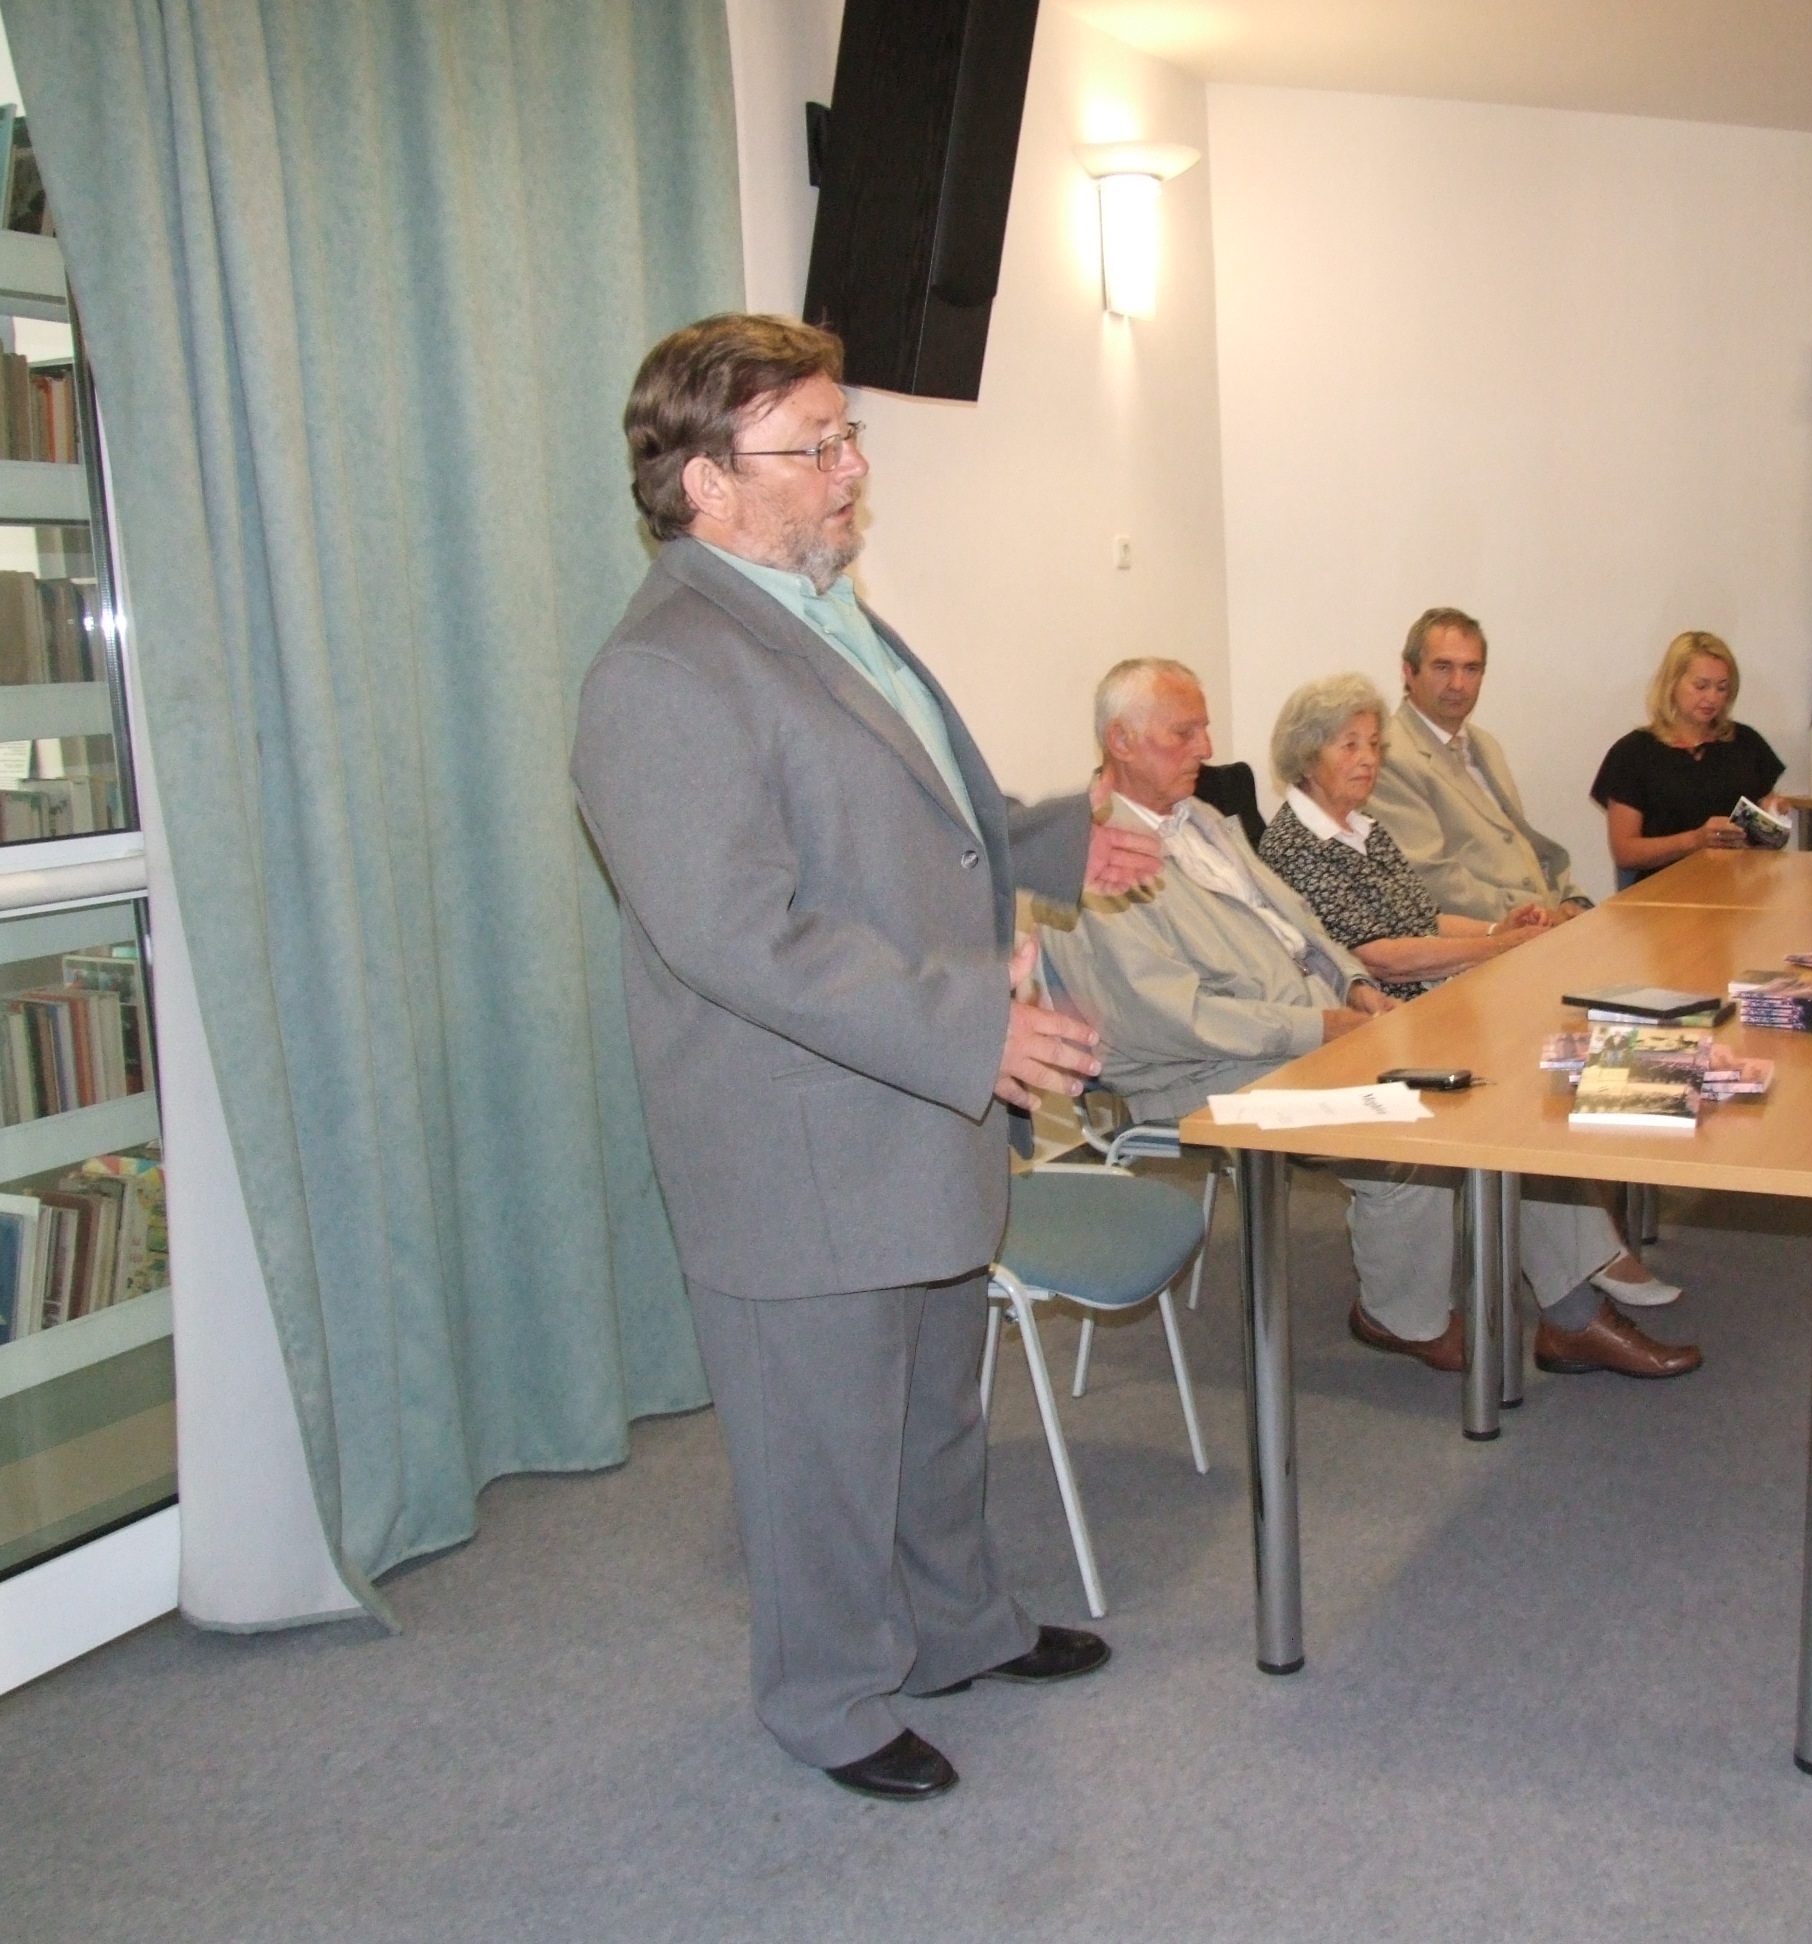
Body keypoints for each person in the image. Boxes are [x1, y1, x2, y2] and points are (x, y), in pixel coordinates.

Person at [569, 314, 1164, 1806]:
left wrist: (1053, 840)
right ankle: (828, 1698)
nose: (852, 469)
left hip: (911, 1107)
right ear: (707, 484)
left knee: (932, 1414)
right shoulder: (663, 672)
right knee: (821, 1444)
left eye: (849, 437)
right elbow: (736, 935)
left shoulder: (822, 607)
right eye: (816, 446)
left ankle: (957, 1627)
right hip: (803, 1138)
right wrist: (974, 1022)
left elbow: (926, 812)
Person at [1041, 659, 1700, 1380]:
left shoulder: (1197, 818)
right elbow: (1169, 1019)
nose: (1207, 747)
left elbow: (1297, 922)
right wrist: (1319, 1027)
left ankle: (1572, 1311)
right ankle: (1403, 1317)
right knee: (1409, 1133)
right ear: (1121, 741)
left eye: (1204, 727)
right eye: (1184, 732)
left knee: (1499, 1088)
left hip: (1299, 1032)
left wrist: (1354, 986)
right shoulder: (1089, 856)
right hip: (1206, 1072)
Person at [1256, 672, 1549, 999]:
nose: (1369, 759)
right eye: (1350, 746)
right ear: (1307, 759)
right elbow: (1380, 959)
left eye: (1373, 744)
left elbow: (1427, 920)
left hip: (1437, 996)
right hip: (1383, 1014)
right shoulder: (1295, 846)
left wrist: (1499, 929)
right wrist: (1499, 946)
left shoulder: (1366, 827)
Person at [1365, 606, 1593, 925]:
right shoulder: (1389, 755)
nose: (1458, 683)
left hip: (1543, 919)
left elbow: (1519, 845)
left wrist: (1570, 898)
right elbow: (1432, 879)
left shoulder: (1485, 744)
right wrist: (1540, 914)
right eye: (1443, 667)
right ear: (1409, 672)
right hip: (1490, 935)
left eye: (1471, 669)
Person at [1591, 631, 1789, 887]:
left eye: (1722, 688)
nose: (1712, 698)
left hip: (1739, 887)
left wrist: (1772, 815)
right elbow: (1625, 852)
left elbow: (1763, 832)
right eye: (1701, 686)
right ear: (1672, 683)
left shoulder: (1745, 743)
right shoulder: (1633, 754)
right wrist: (1696, 840)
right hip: (1663, 894)